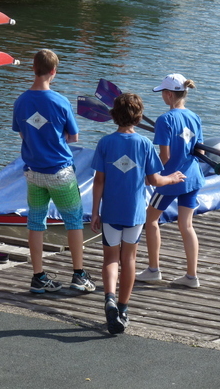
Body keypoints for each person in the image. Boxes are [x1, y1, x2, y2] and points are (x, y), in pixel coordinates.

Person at [91, 93, 185, 334]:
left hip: (110, 211)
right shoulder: (144, 143)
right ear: (139, 116)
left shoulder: (105, 143)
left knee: (110, 258)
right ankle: (123, 308)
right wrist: (172, 178)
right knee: (129, 259)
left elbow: (98, 181)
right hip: (134, 213)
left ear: (113, 116)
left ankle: (109, 298)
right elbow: (154, 179)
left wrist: (94, 212)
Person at [12, 49, 95, 294]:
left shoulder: (21, 101)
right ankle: (79, 275)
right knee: (73, 220)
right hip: (60, 172)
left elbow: (22, 132)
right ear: (53, 72)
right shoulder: (60, 101)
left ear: (33, 68)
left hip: (33, 173)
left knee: (36, 222)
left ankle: (38, 276)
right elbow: (74, 136)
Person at [136, 73, 205, 288]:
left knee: (151, 218)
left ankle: (153, 270)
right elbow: (199, 149)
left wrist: (155, 176)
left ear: (168, 95)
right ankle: (192, 276)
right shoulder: (195, 117)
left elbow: (164, 156)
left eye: (162, 94)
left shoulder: (165, 120)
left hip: (171, 179)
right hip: (192, 177)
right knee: (186, 225)